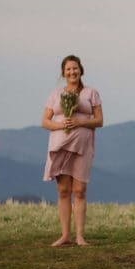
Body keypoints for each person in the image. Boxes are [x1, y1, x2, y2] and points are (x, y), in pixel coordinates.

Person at [42, 55, 103, 246]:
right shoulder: (55, 94)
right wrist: (62, 125)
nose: (72, 72)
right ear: (63, 73)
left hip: (82, 146)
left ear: (81, 70)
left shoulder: (91, 92)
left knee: (80, 190)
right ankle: (65, 234)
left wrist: (79, 121)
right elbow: (45, 121)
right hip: (60, 144)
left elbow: (99, 120)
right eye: (68, 69)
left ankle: (79, 236)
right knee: (63, 190)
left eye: (75, 68)